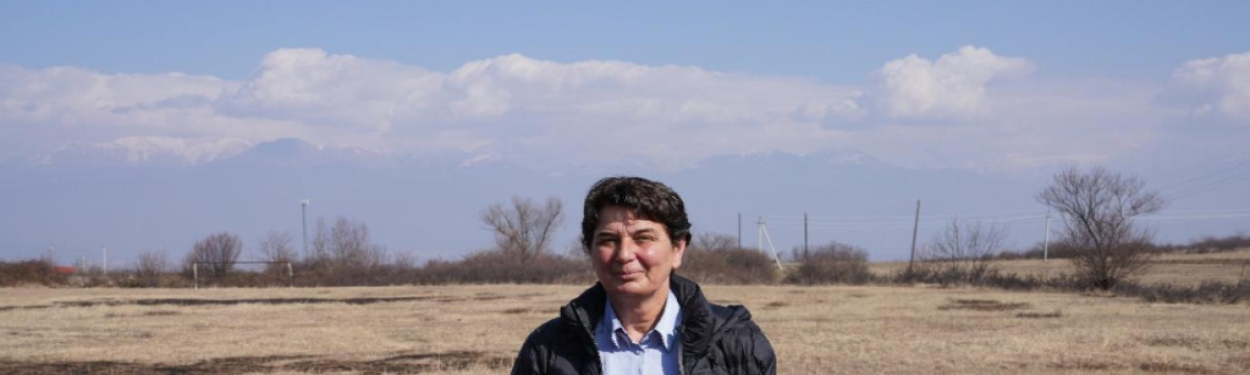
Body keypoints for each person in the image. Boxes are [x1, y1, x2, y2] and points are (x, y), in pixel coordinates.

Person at [511, 176, 776, 375]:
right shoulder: (548, 348)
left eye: (643, 238)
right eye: (607, 240)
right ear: (589, 250)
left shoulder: (735, 342)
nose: (624, 254)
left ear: (677, 248)